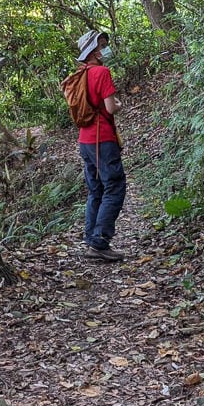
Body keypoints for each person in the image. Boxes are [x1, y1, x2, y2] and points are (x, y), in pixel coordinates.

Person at [75, 29, 126, 262]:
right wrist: (119, 103)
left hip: (84, 139)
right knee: (114, 186)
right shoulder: (102, 72)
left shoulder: (80, 74)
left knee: (95, 190)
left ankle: (91, 238)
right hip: (102, 138)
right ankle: (99, 242)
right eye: (103, 45)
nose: (106, 49)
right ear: (93, 51)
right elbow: (110, 107)